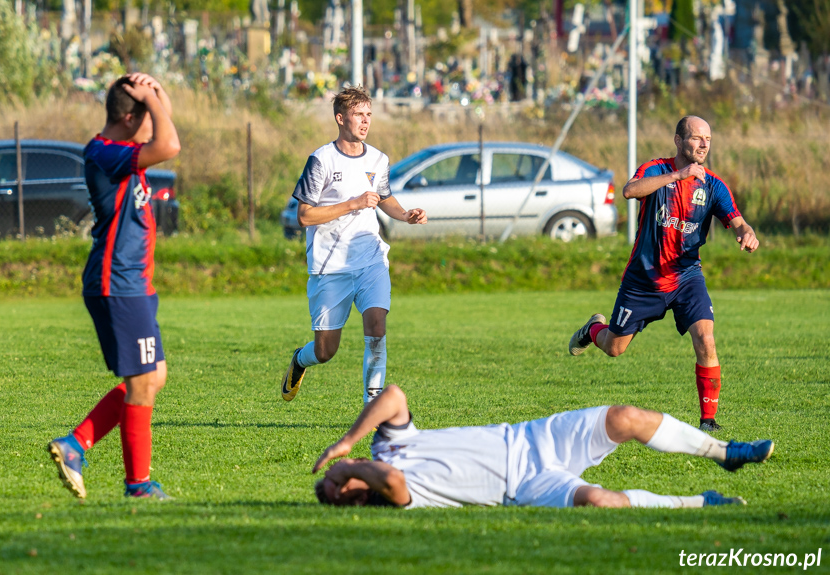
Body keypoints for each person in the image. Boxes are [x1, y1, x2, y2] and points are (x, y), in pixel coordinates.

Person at [568, 116, 760, 433]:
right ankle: (592, 330)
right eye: (697, 138)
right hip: (644, 279)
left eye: (708, 139)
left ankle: (708, 422)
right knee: (614, 348)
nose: (703, 145)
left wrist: (747, 233)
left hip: (687, 277)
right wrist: (678, 174)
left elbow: (738, 221)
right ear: (678, 140)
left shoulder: (713, 185)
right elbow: (630, 191)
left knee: (706, 339)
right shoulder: (656, 170)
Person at [47, 73, 180, 500]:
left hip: (132, 285)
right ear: (128, 119)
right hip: (117, 284)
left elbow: (166, 130)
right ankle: (137, 485)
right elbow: (170, 144)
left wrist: (155, 93)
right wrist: (150, 101)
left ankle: (74, 444)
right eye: (145, 116)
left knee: (152, 375)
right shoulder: (105, 152)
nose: (154, 125)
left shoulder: (122, 149)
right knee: (142, 380)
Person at [312, 385, 774, 509]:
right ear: (353, 495)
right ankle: (697, 503)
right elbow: (388, 480)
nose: (337, 484)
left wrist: (347, 442)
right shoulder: (396, 495)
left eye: (331, 485)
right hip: (527, 483)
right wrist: (350, 467)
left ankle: (725, 453)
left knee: (624, 418)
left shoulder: (387, 447)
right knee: (599, 501)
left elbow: (393, 395)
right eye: (336, 491)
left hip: (530, 437)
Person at [281, 86, 427, 405]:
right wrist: (351, 204)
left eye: (369, 115)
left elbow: (384, 197)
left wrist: (405, 215)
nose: (365, 121)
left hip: (370, 259)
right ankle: (299, 360)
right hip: (329, 267)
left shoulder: (378, 159)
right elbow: (304, 216)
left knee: (376, 325)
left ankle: (371, 405)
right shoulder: (320, 160)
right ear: (340, 118)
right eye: (358, 114)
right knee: (325, 351)